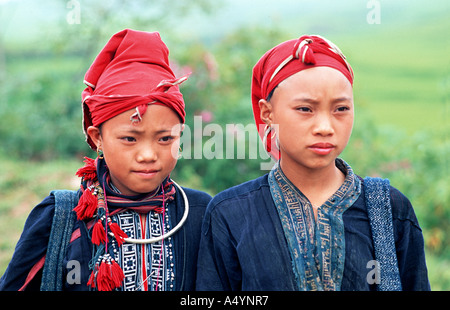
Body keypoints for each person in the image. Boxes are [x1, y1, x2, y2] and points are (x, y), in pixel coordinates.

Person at [196, 35, 430, 291]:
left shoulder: (389, 210)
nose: (325, 127)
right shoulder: (231, 214)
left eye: (340, 109)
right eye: (305, 109)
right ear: (268, 113)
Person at [0, 29, 211, 291]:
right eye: (130, 139)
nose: (148, 155)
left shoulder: (202, 214)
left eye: (165, 139)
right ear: (97, 137)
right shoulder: (60, 218)